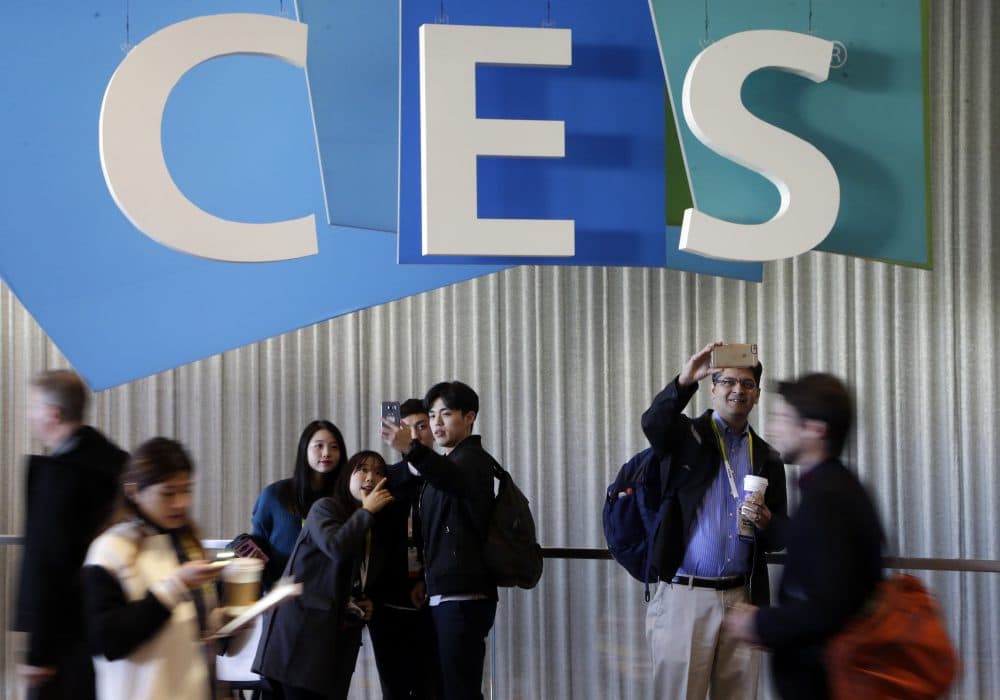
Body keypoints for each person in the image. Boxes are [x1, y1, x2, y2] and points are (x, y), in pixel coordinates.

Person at [641, 342, 787, 699]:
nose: (738, 389)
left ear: (757, 394)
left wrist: (768, 523)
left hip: (741, 596)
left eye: (747, 384)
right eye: (727, 381)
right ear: (713, 387)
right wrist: (684, 380)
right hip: (684, 594)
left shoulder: (766, 455)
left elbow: (778, 534)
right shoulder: (686, 436)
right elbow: (654, 424)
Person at [724, 373, 884, 699]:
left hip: (826, 683)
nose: (772, 428)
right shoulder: (834, 487)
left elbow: (828, 608)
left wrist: (760, 623)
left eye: (783, 418)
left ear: (815, 430)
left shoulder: (828, 499)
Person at [14, 370, 128, 700]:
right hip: (107, 628)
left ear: (53, 413)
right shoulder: (117, 463)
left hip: (65, 640)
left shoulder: (59, 476)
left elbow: (46, 564)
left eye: (32, 406)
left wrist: (39, 652)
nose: (28, 415)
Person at [81, 437, 224, 700]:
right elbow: (107, 641)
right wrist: (175, 586)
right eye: (168, 493)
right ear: (134, 491)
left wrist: (224, 621)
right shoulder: (110, 549)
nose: (181, 503)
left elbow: (191, 626)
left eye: (186, 490)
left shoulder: (186, 541)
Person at [381, 381, 498, 700]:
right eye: (433, 415)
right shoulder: (450, 462)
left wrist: (411, 449)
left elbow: (452, 480)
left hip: (464, 596)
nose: (436, 423)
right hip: (446, 592)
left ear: (470, 417)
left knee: (459, 690)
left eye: (445, 414)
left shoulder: (471, 459)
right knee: (449, 686)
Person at [253, 450, 394, 700]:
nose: (371, 477)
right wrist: (367, 511)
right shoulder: (326, 508)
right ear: (346, 475)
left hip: (333, 644)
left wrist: (363, 601)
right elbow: (336, 547)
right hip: (300, 639)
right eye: (362, 469)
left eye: (379, 472)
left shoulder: (373, 525)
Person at [371, 398, 440, 699]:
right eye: (406, 428)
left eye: (422, 427)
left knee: (434, 686)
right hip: (387, 604)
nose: (414, 435)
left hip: (435, 601)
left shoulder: (446, 477)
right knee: (394, 688)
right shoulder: (385, 479)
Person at [251, 420, 348, 588]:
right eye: (319, 446)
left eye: (334, 447)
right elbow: (259, 541)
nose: (326, 453)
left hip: (330, 597)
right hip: (283, 594)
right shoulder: (275, 494)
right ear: (304, 450)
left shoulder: (344, 497)